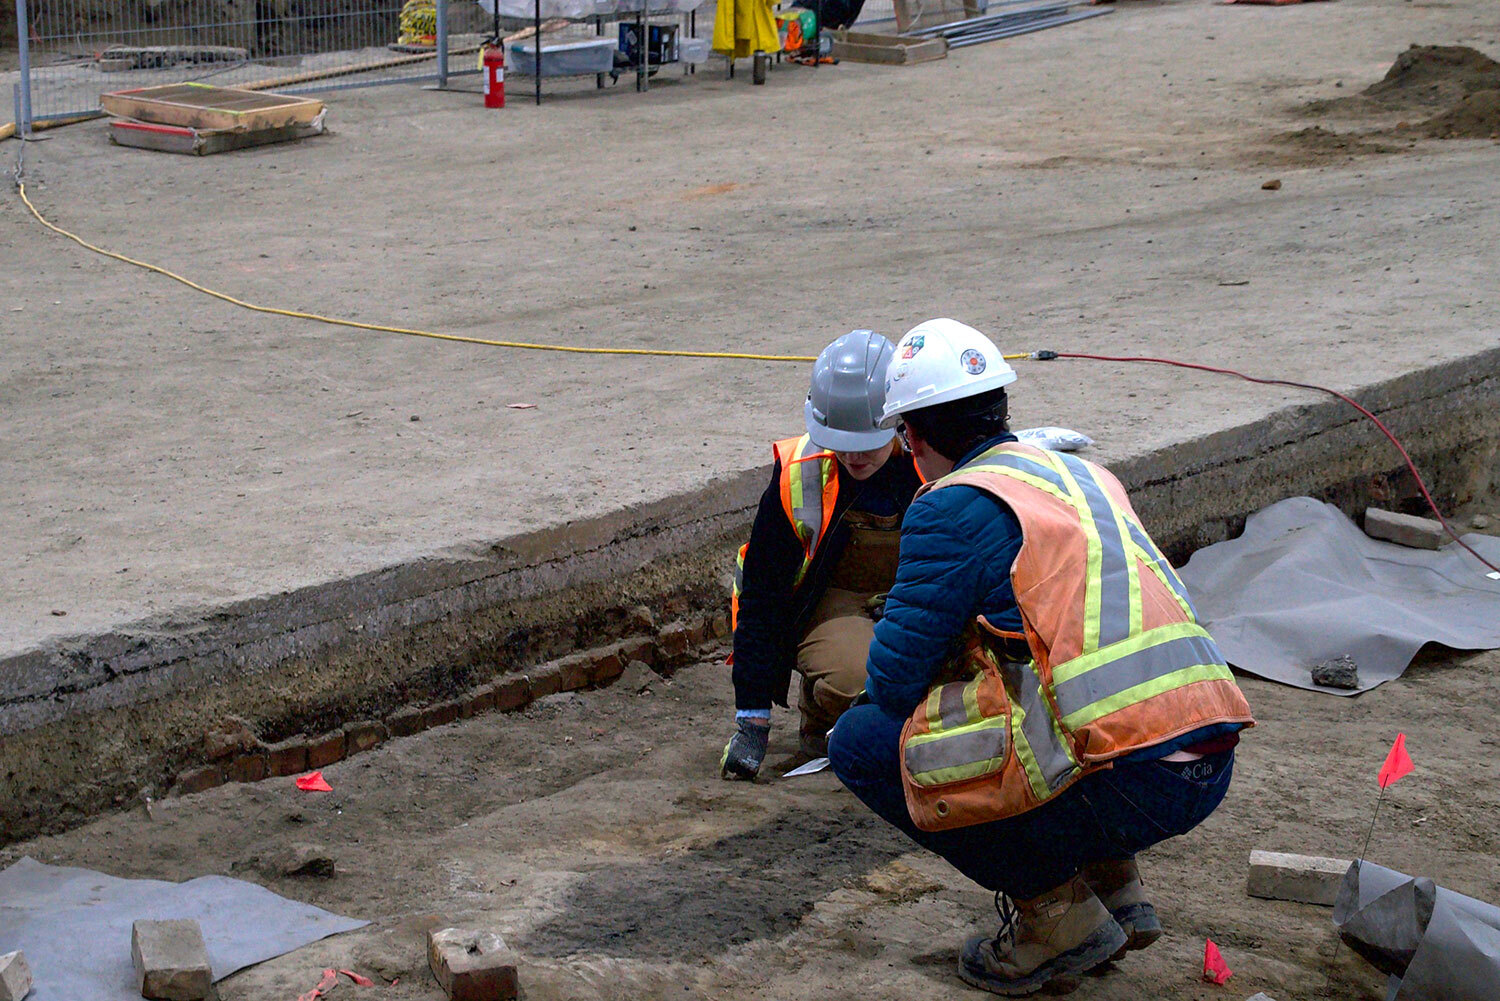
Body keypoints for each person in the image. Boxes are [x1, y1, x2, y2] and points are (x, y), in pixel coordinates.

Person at [827, 318, 1254, 996]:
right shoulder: (1081, 474)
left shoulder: (951, 506)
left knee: (864, 740)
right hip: (1209, 753)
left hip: (1134, 781)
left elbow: (893, 680)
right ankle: (1117, 887)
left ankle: (1056, 918)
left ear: (914, 436)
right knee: (1051, 693)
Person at [721, 330, 923, 780]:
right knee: (870, 681)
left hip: (915, 595)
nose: (852, 457)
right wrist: (751, 722)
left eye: (866, 443)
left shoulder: (933, 458)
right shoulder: (800, 475)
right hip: (829, 606)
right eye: (840, 442)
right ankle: (827, 717)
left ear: (899, 422)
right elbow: (761, 594)